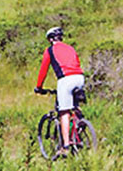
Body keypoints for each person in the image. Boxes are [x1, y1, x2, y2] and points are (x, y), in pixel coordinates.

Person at [35, 27, 85, 157]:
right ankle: (80, 123)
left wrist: (39, 87)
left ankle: (66, 146)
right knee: (74, 106)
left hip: (66, 80)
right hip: (80, 77)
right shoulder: (70, 48)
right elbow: (77, 63)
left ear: (50, 39)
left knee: (64, 112)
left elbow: (43, 70)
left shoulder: (50, 50)